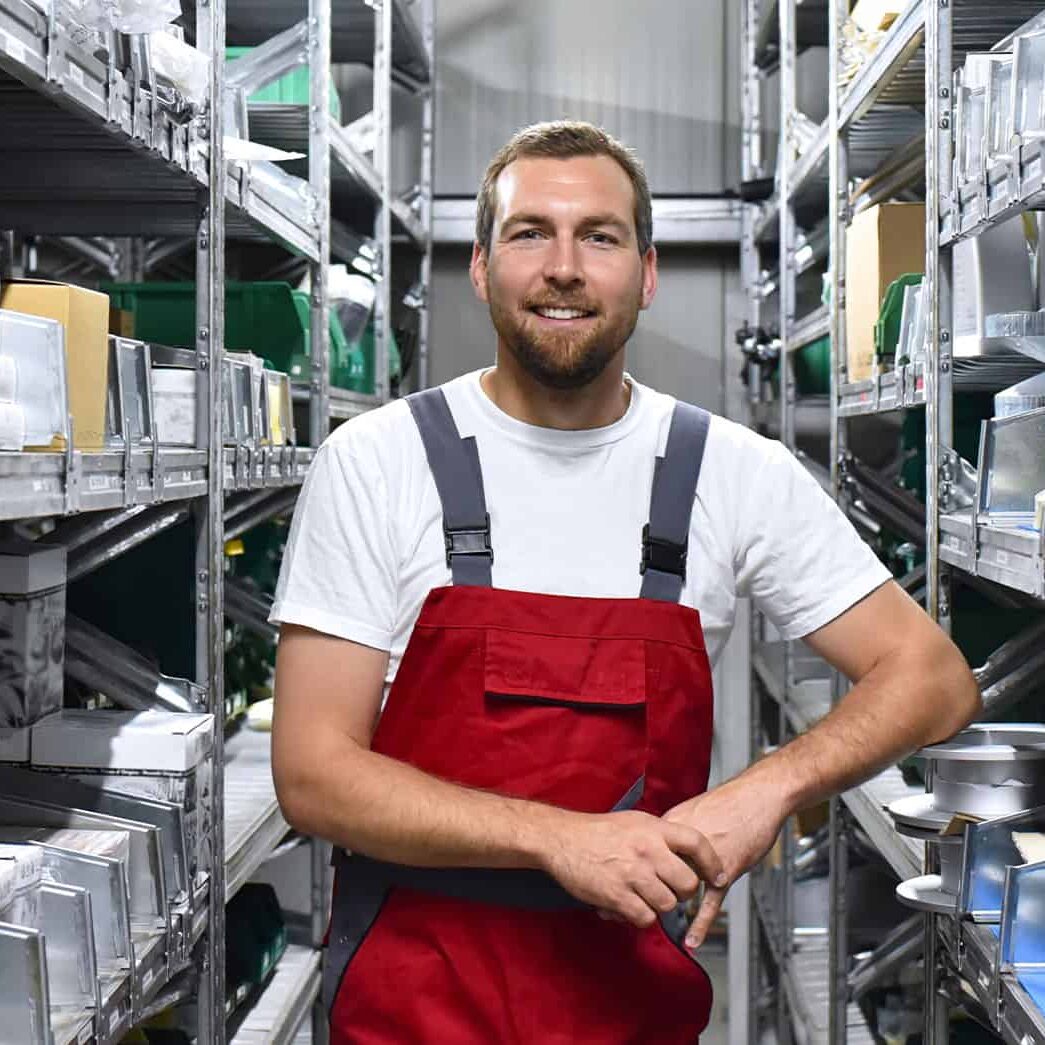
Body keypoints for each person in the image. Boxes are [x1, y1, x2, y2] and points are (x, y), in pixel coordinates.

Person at [269, 120, 980, 1043]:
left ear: (645, 274)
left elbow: (933, 678)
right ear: (481, 268)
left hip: (629, 1007)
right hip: (414, 1000)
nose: (563, 266)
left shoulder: (732, 471)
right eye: (529, 233)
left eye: (598, 236)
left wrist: (762, 792)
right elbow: (313, 773)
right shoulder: (375, 461)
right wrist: (555, 836)